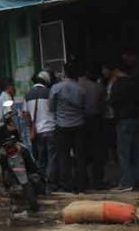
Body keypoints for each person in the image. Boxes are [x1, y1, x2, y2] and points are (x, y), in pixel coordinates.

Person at [49, 63, 87, 193]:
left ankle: (67, 185)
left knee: (63, 157)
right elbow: (83, 106)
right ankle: (81, 185)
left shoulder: (56, 88)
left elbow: (51, 107)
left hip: (62, 126)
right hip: (79, 126)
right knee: (80, 156)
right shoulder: (81, 89)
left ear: (65, 72)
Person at [108, 62, 139, 190]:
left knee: (124, 152)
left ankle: (126, 182)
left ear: (117, 71)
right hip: (135, 118)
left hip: (123, 119)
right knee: (136, 150)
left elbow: (112, 101)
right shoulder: (135, 83)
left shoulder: (117, 84)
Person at [26, 71, 56, 190]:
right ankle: (51, 184)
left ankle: (41, 185)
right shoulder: (49, 92)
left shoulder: (28, 95)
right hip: (51, 129)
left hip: (37, 131)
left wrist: (31, 128)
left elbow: (25, 114)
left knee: (40, 159)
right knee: (52, 158)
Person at [78, 66, 106, 189]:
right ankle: (98, 180)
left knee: (81, 152)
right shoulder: (97, 86)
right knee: (97, 152)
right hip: (96, 120)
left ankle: (83, 180)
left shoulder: (76, 86)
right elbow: (102, 103)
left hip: (80, 121)